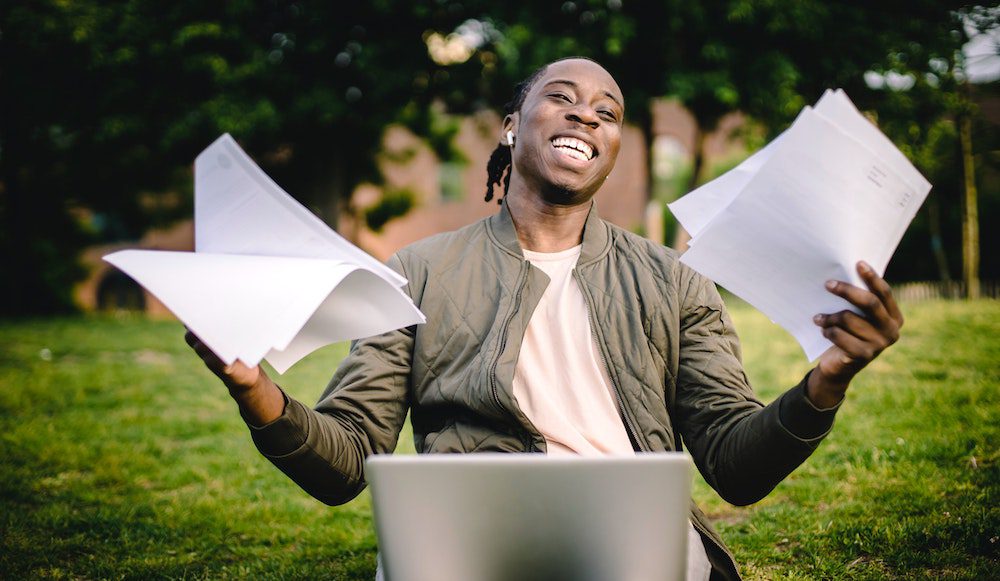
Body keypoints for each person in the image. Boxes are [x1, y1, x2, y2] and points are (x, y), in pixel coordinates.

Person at [186, 57, 903, 580]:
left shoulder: (674, 280)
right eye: (561, 97)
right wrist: (254, 389)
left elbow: (735, 464)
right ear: (510, 127)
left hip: (634, 550)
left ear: (613, 147)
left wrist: (826, 382)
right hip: (464, 545)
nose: (586, 113)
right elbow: (344, 461)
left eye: (607, 111)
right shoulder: (417, 271)